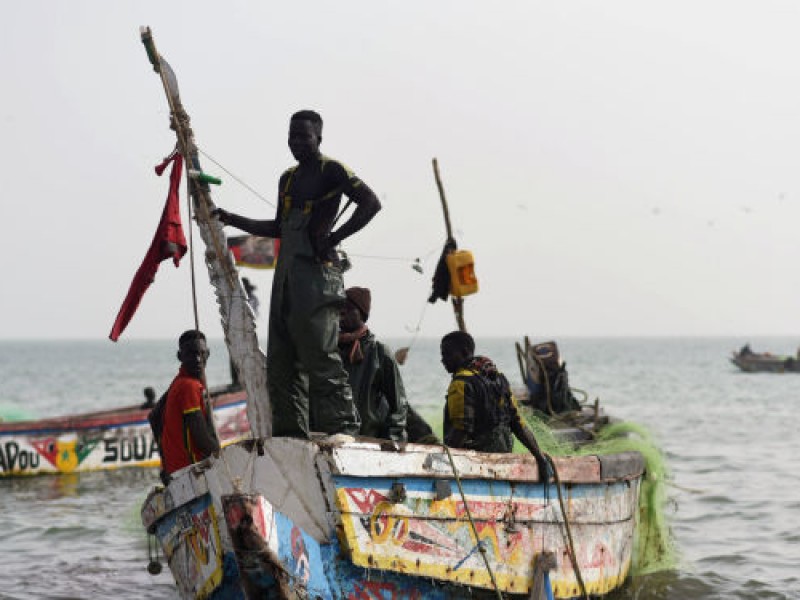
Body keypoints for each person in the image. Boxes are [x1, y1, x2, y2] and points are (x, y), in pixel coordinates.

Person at [214, 110, 380, 438]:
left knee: (320, 354)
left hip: (318, 274)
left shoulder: (331, 170)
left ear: (319, 138)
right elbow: (277, 226)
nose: (297, 143)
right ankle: (291, 436)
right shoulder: (287, 179)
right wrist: (232, 219)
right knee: (282, 358)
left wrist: (334, 237)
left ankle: (342, 432)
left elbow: (371, 203)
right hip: (287, 274)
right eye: (292, 136)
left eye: (304, 136)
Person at [440, 331, 549, 477]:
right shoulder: (499, 379)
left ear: (465, 352)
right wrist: (540, 459)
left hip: (473, 464)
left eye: (447, 354)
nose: (443, 360)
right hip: (502, 457)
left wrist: (443, 463)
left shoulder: (461, 383)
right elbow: (518, 424)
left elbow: (462, 430)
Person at [160, 330, 220, 477]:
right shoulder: (188, 386)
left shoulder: (178, 382)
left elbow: (154, 416)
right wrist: (222, 458)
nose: (198, 359)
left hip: (175, 469)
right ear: (180, 356)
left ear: (208, 354)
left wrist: (166, 467)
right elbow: (201, 438)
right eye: (191, 354)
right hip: (189, 471)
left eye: (202, 353)